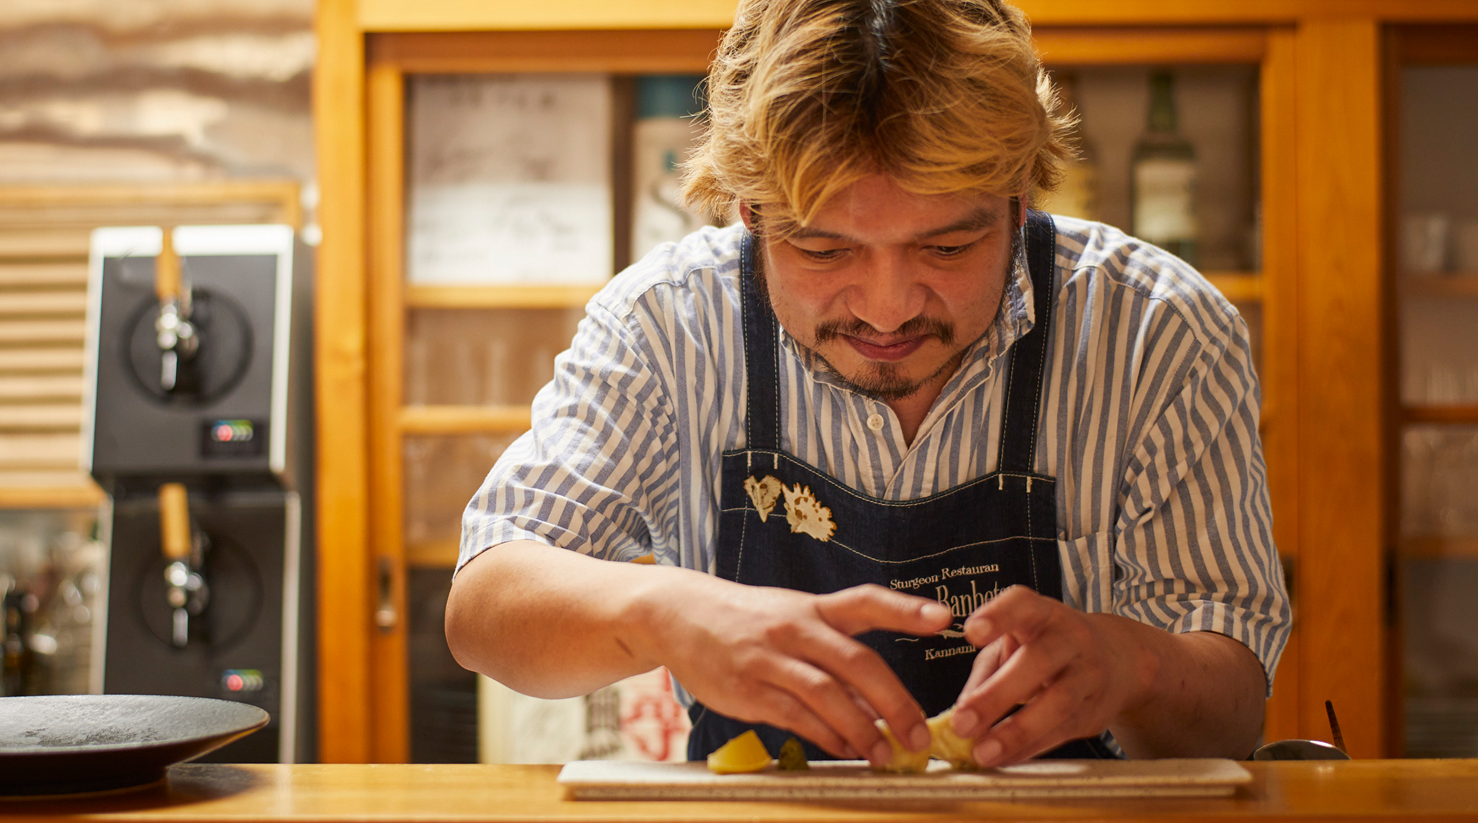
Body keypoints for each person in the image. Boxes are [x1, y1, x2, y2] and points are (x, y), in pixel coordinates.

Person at [445, 0, 1289, 768]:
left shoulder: (1154, 331)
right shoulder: (666, 323)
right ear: (749, 210)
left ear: (1021, 197)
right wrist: (668, 609)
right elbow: (484, 605)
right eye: (824, 250)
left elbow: (1228, 718)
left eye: (947, 248)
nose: (887, 310)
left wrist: (1132, 664)